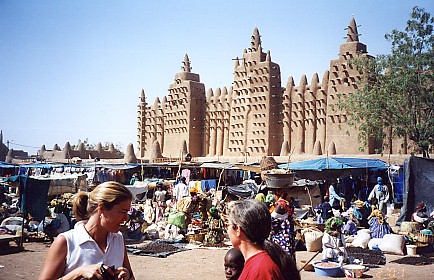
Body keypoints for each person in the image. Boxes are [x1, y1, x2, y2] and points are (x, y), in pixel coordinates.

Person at [38, 181, 135, 280]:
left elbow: (131, 277)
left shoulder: (118, 239)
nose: (126, 218)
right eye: (123, 212)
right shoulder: (67, 241)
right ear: (101, 209)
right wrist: (79, 272)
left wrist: (127, 276)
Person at [226, 199, 300, 280]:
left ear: (238, 230)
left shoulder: (260, 270)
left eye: (228, 225)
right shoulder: (258, 264)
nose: (227, 229)